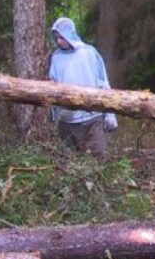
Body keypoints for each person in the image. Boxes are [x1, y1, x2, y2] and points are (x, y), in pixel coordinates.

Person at [48, 17, 118, 158]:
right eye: (56, 38)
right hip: (67, 120)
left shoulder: (89, 53)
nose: (59, 41)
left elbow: (103, 82)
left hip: (92, 117)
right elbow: (52, 87)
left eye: (61, 37)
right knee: (71, 160)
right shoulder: (56, 58)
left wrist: (110, 114)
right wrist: (54, 114)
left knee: (100, 156)